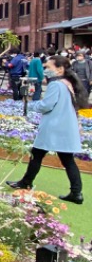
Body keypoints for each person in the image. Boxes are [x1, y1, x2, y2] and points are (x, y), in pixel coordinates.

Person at [6, 54, 87, 203]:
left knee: (37, 154)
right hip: (65, 127)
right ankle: (76, 192)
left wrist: (33, 105)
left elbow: (46, 105)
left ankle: (26, 182)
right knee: (67, 160)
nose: (46, 70)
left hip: (53, 127)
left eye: (48, 67)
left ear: (59, 69)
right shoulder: (69, 83)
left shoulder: (56, 84)